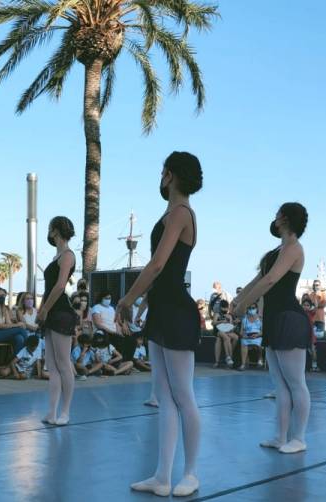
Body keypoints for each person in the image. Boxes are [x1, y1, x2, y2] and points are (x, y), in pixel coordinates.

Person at [118, 151, 202, 497]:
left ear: (170, 175)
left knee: (183, 395)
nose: (160, 176)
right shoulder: (171, 213)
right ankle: (162, 476)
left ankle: (191, 473)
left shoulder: (181, 213)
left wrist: (127, 300)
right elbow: (162, 274)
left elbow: (156, 266)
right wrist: (146, 305)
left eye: (162, 171)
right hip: (162, 311)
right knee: (165, 398)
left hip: (177, 313)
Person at [232, 202, 311, 456]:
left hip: (289, 318)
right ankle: (281, 436)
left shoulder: (294, 248)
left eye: (278, 214)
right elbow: (258, 277)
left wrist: (245, 305)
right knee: (280, 384)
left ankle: (298, 438)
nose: (274, 217)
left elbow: (271, 279)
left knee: (296, 383)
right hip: (274, 320)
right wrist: (238, 299)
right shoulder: (276, 250)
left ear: (285, 219)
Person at [36, 216, 79, 426]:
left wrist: (44, 308)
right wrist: (42, 309)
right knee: (52, 366)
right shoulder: (57, 256)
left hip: (61, 311)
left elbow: (60, 286)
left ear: (56, 230)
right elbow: (49, 287)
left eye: (51, 228)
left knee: (63, 364)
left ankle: (65, 411)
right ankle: (51, 412)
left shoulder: (68, 255)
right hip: (51, 311)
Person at [0, 287, 28, 355]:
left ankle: (15, 362)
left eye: (3, 295)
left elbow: (9, 324)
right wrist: (18, 324)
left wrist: (18, 324)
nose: (2, 297)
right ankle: (29, 354)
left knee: (19, 338)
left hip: (2, 333)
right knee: (20, 330)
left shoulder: (4, 308)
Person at [212, 300, 238, 368]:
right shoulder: (217, 314)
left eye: (226, 308)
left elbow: (231, 327)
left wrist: (233, 324)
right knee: (226, 338)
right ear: (220, 307)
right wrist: (221, 321)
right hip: (219, 331)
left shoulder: (229, 316)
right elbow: (213, 323)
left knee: (236, 337)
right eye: (223, 308)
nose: (225, 309)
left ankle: (229, 357)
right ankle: (228, 357)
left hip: (228, 331)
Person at [238, 304, 264, 370]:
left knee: (260, 343)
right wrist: (245, 336)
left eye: (253, 308)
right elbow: (241, 332)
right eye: (250, 308)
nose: (251, 309)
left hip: (258, 336)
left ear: (256, 309)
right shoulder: (244, 319)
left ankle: (260, 358)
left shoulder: (260, 319)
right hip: (247, 336)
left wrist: (257, 335)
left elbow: (263, 331)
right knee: (243, 342)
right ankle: (243, 364)